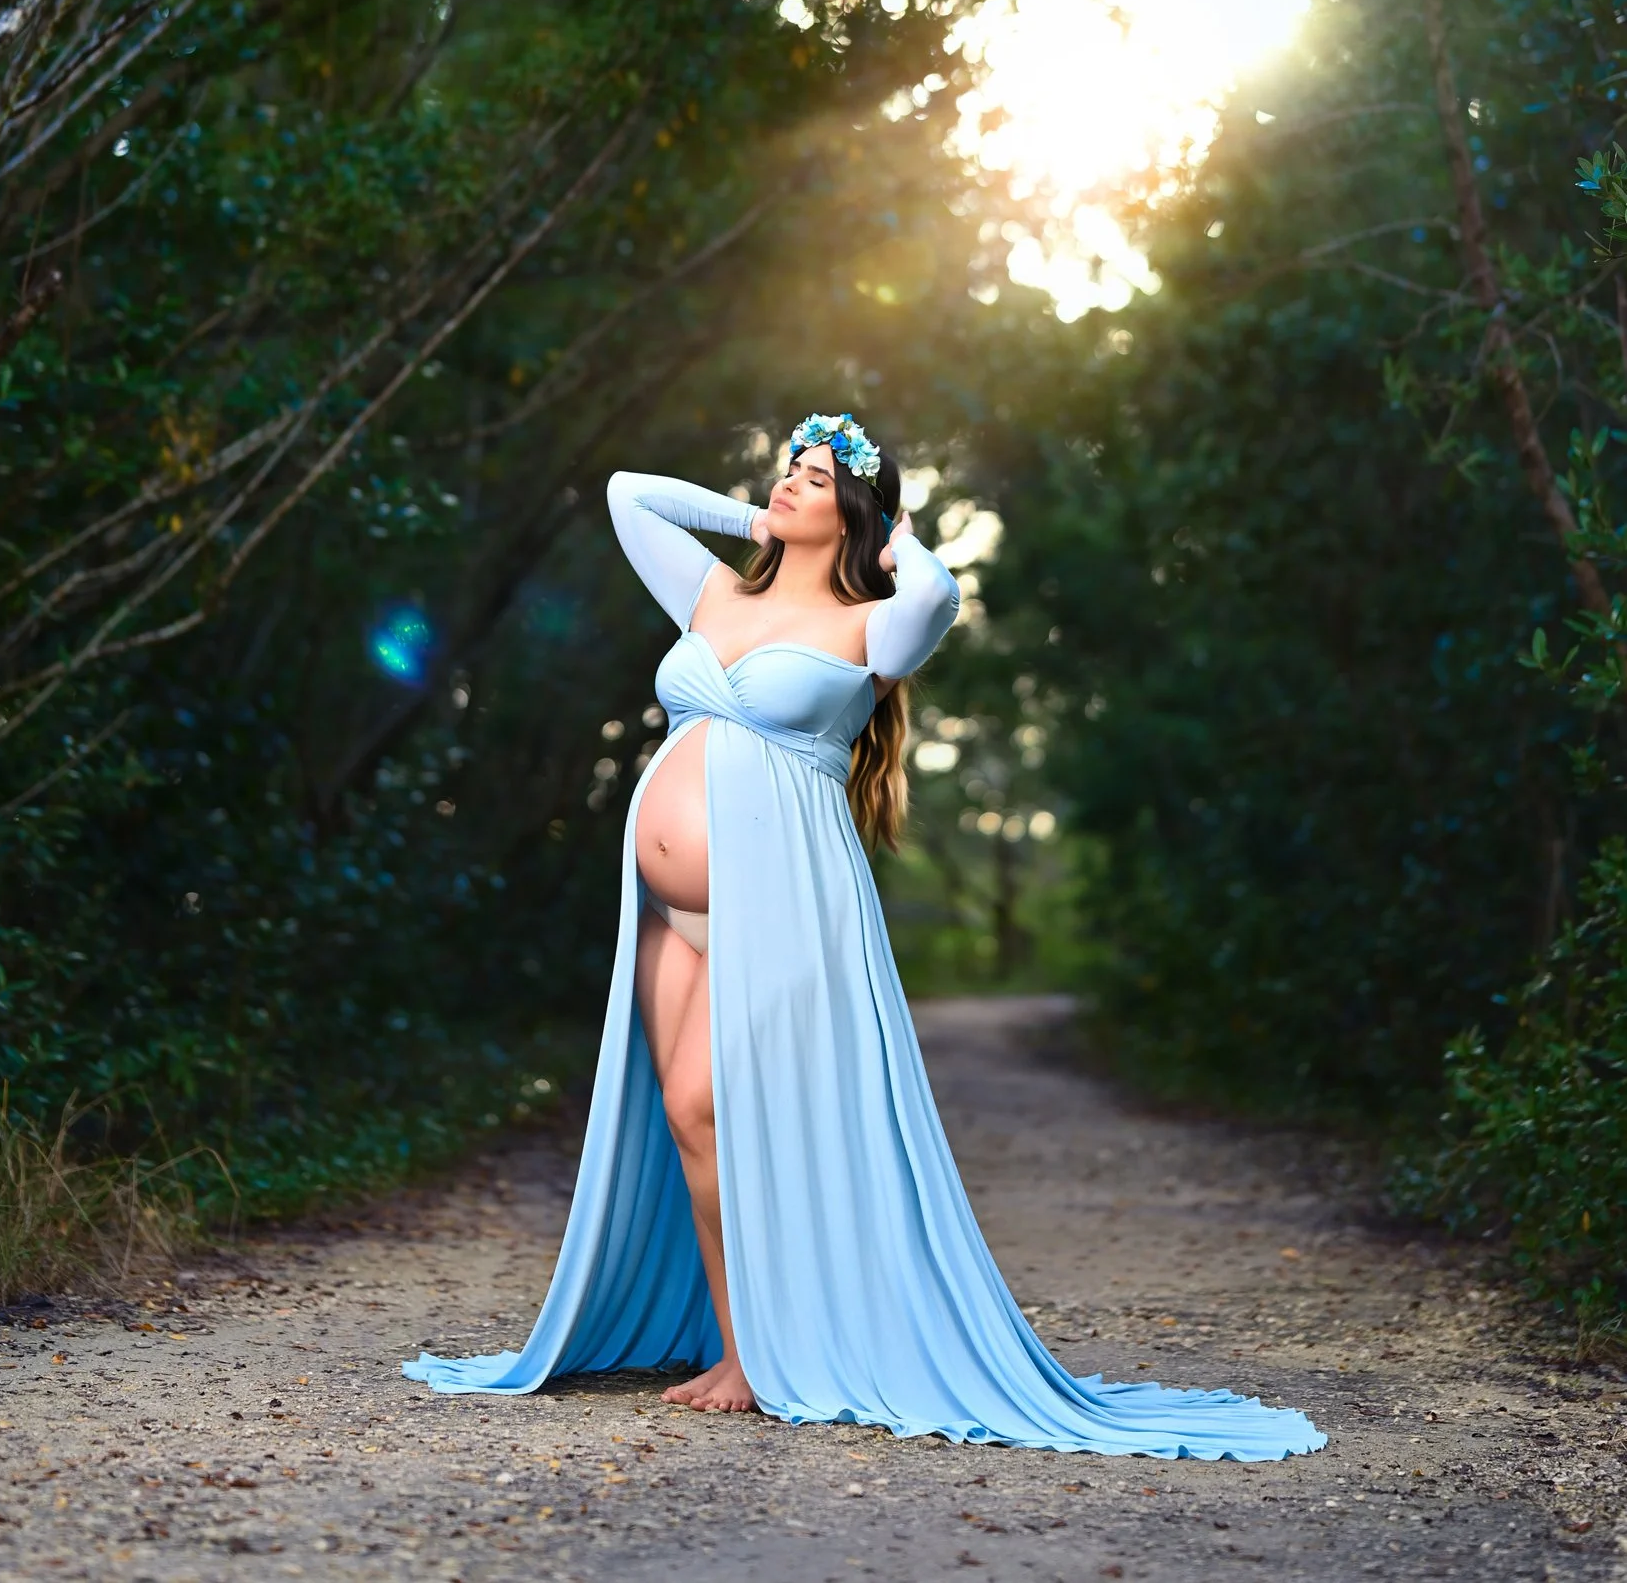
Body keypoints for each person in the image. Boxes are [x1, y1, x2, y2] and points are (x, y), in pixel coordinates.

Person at [404, 413, 1326, 1460]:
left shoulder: (874, 627)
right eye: (785, 469)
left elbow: (937, 592)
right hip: (671, 908)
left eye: (813, 474)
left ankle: (775, 1349)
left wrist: (888, 533)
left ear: (856, 508)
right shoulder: (715, 594)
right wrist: (760, 509)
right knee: (689, 1115)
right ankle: (740, 1342)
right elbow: (626, 491)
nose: (788, 482)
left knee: (755, 1110)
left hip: (787, 898)